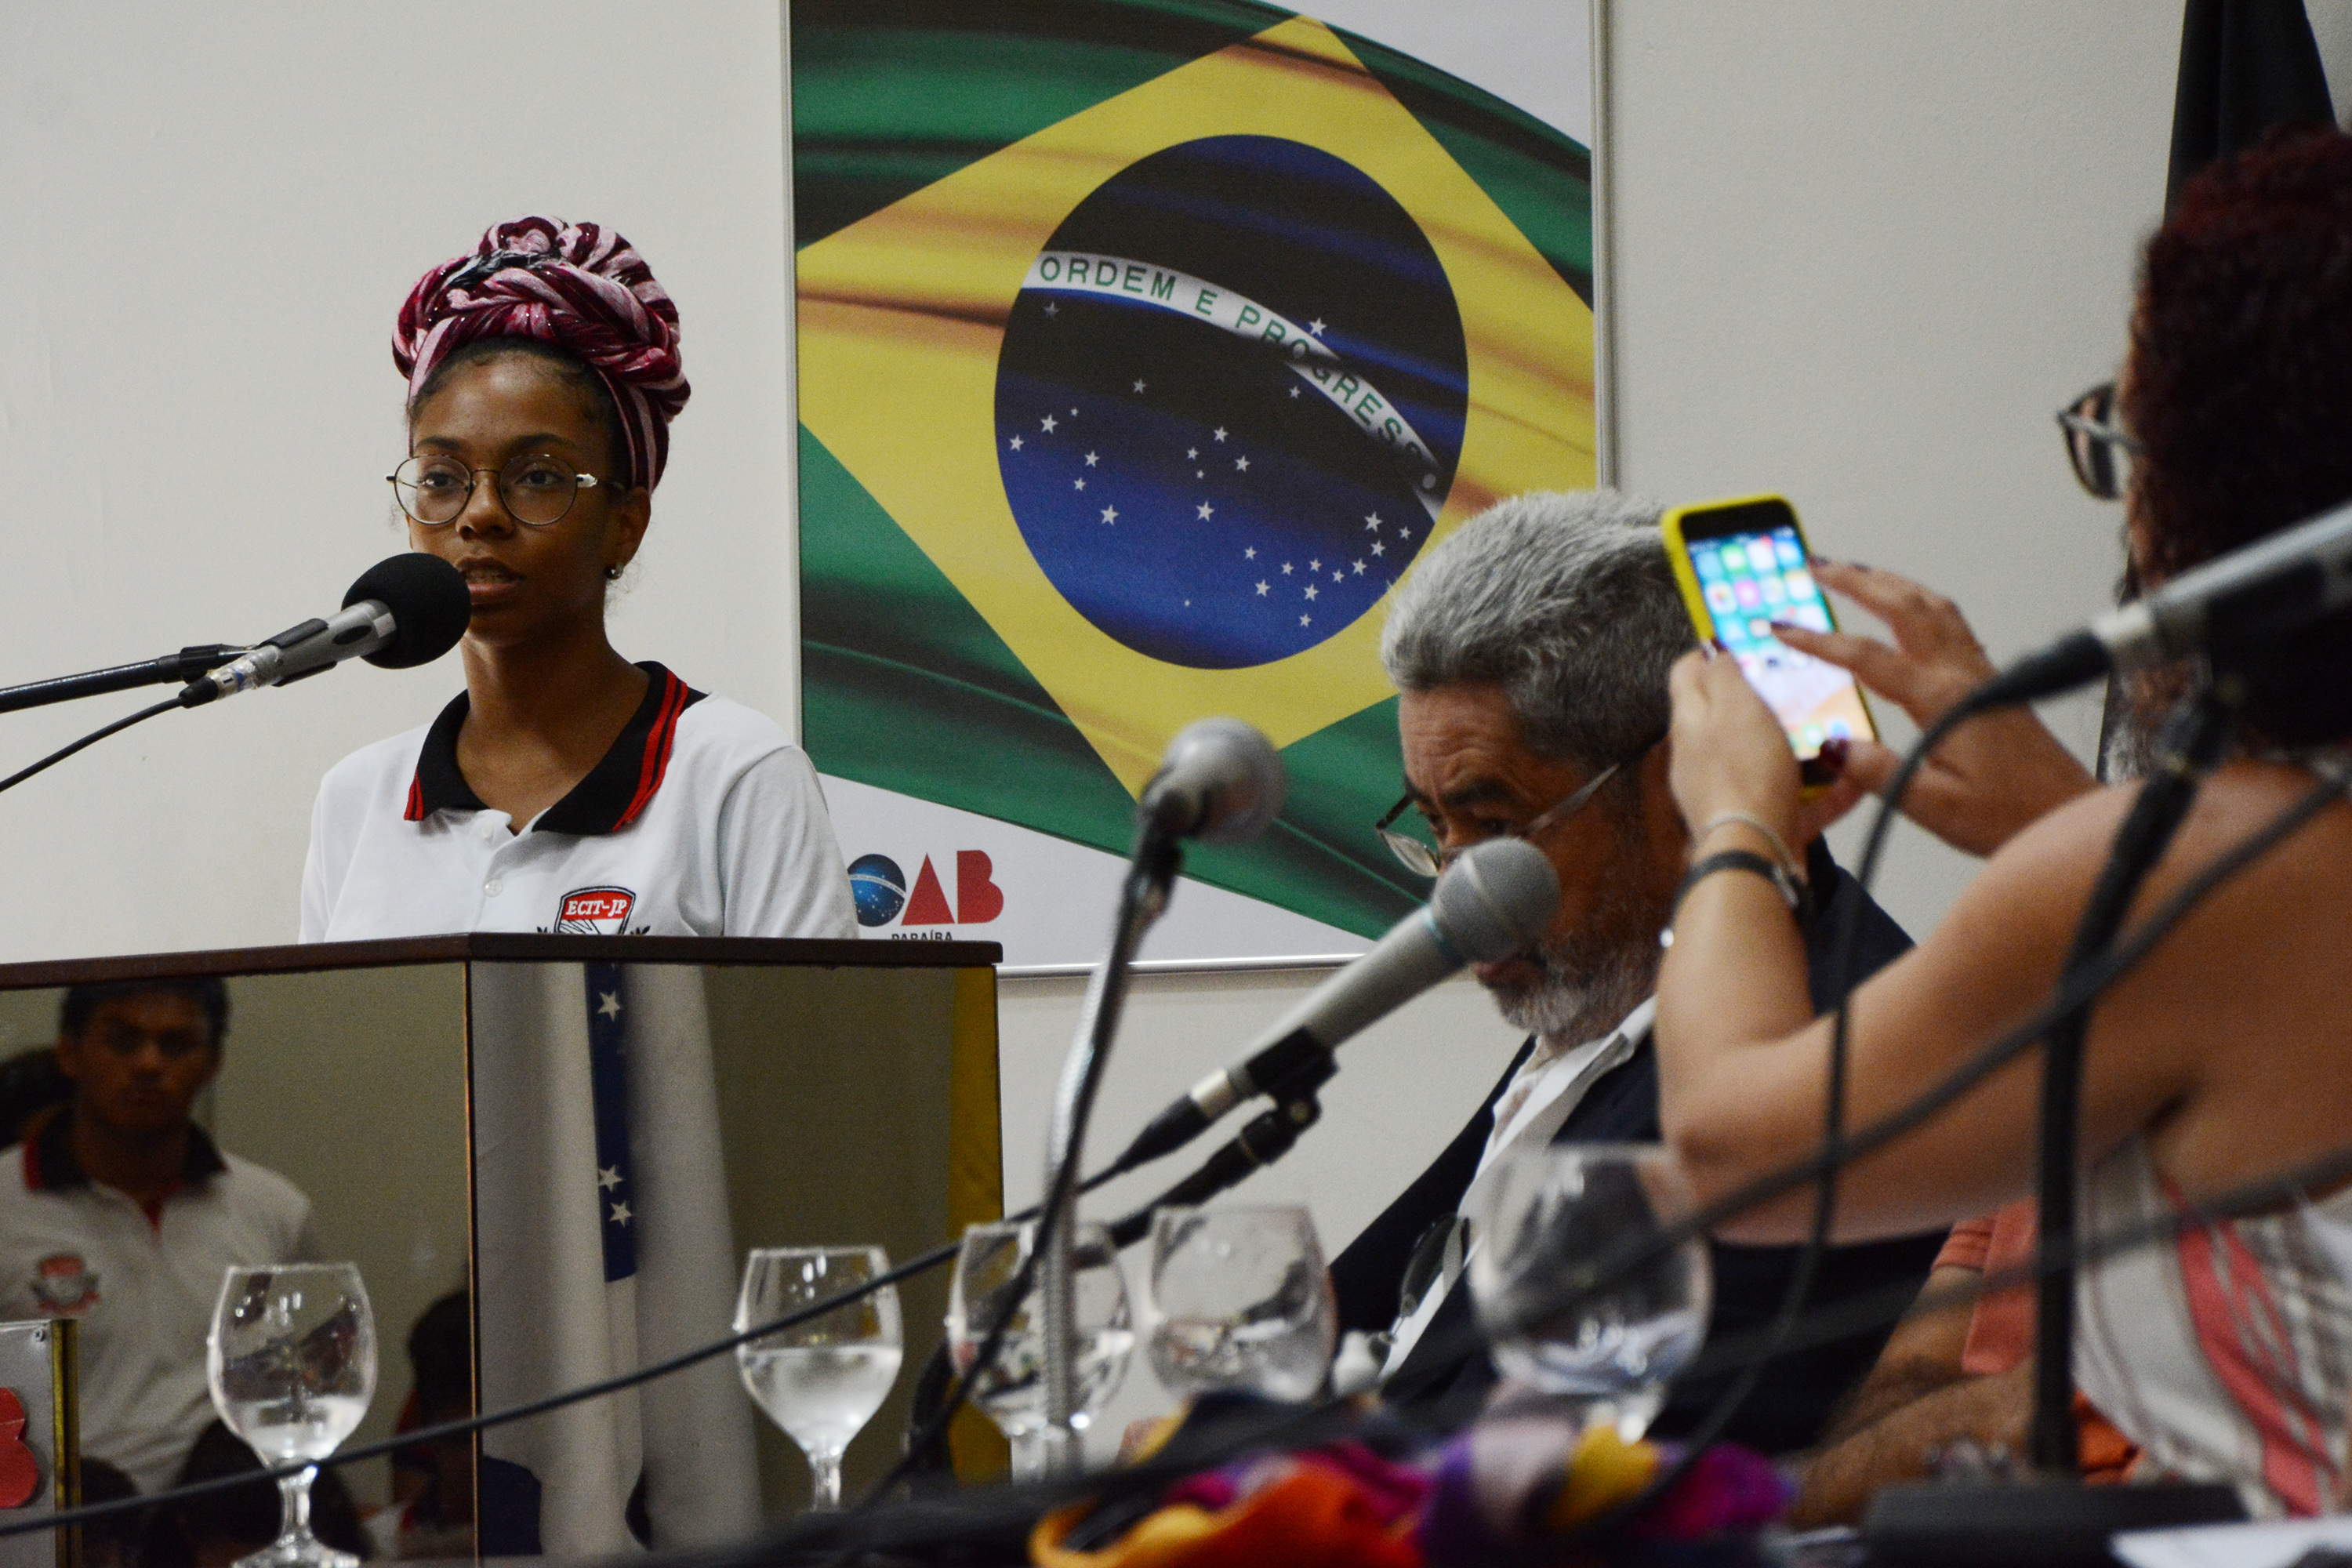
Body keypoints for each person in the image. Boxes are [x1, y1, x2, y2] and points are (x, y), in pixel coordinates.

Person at [1652, 126, 2352, 1517]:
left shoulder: (2189, 877)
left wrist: (1735, 823)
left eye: (2123, 437)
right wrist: (2062, 817)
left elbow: (1737, 1156)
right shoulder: (2221, 874)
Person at [1328, 490, 1944, 1454]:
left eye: (1496, 828)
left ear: (1679, 777)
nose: (1458, 891)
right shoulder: (1613, 977)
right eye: (1435, 826)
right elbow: (1392, 1305)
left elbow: (1564, 1467)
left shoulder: (1821, 1052)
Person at [301, 216, 854, 941]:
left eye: (537, 477)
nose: (482, 514)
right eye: (442, 477)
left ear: (626, 522)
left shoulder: (736, 773)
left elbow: (812, 1052)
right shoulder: (359, 798)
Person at [0, 979, 315, 1494]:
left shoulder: (275, 1210)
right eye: (123, 1041)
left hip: (226, 1529)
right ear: (70, 1051)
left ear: (213, 1063)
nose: (149, 1064)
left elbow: (309, 1396)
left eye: (176, 1045)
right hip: (58, 1534)